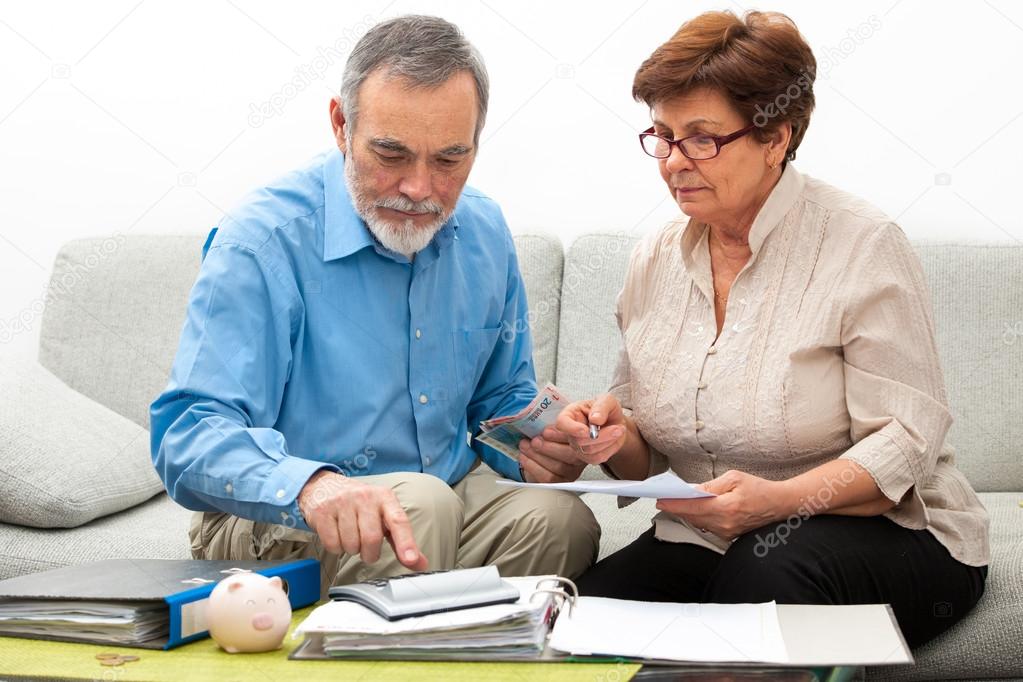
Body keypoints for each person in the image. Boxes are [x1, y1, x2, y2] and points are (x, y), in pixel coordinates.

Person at [519, 10, 988, 648]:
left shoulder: (862, 244)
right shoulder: (654, 257)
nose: (674, 162)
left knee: (761, 576)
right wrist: (608, 433)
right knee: (574, 627)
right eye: (663, 135)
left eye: (702, 139)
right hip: (714, 536)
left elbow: (904, 446)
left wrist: (774, 502)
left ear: (775, 137)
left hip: (892, 537)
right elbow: (647, 450)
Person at [150, 15, 598, 598]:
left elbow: (498, 400)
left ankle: (456, 653)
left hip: (437, 498)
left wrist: (543, 443)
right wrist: (312, 486)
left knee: (559, 521)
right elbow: (188, 433)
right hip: (281, 514)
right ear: (341, 125)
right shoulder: (262, 241)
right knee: (418, 506)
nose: (418, 188)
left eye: (448, 159)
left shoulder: (484, 231)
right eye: (391, 153)